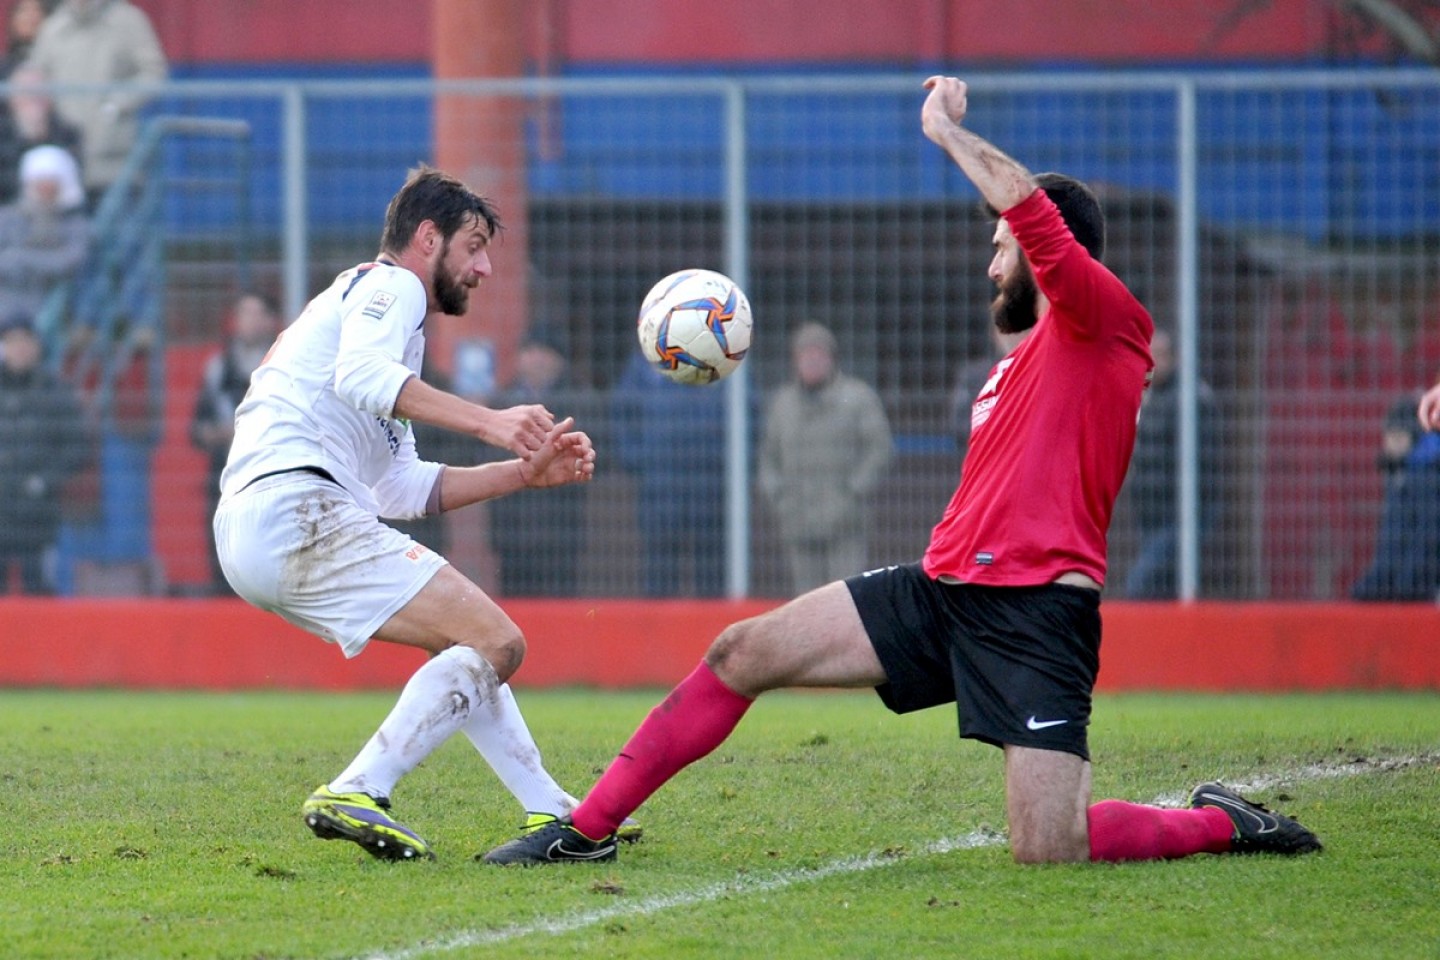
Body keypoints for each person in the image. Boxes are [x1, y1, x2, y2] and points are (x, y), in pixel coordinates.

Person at [482, 76, 1321, 866]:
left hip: (1036, 613)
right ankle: (584, 829)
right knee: (741, 650)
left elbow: (1032, 213)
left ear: (1051, 254)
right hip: (940, 589)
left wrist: (946, 131)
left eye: (1003, 248)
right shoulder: (1017, 364)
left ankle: (1222, 822)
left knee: (1049, 845)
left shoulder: (1106, 318)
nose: (992, 263)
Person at [213, 166, 637, 862]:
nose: (485, 267)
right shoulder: (391, 286)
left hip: (261, 525)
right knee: (500, 643)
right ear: (427, 238)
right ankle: (359, 787)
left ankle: (553, 810)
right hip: (296, 506)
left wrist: (522, 473)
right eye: (473, 245)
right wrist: (494, 423)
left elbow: (401, 489)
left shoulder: (385, 332)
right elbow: (363, 380)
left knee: (469, 642)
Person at [758, 322, 893, 595]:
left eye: (818, 353)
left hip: (845, 521)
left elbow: (879, 449)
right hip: (797, 519)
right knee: (805, 601)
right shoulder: (782, 404)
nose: (812, 361)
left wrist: (853, 491)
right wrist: (779, 496)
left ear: (832, 358)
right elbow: (768, 457)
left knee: (845, 597)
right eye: (805, 354)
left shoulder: (856, 398)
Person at [22, 0, 167, 208]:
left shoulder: (129, 21)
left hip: (113, 157)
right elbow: (35, 79)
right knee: (68, 235)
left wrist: (116, 105)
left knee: (115, 231)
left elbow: (153, 73)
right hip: (64, 159)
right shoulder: (53, 26)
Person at [612, 349, 727, 597]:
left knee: (711, 574)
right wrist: (638, 460)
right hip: (659, 487)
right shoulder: (645, 360)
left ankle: (711, 633)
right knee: (659, 574)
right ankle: (656, 634)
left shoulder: (718, 352)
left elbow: (745, 413)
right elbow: (623, 412)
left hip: (708, 487)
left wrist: (729, 467)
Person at [188, 292, 282, 595]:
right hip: (225, 475)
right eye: (243, 313)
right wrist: (220, 433)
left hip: (273, 476)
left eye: (256, 313)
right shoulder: (217, 367)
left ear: (270, 321)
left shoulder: (283, 365)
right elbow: (196, 429)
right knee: (225, 555)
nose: (248, 321)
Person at [1121, 328, 1220, 599]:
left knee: (1140, 587)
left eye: (1161, 355)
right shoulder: (1150, 396)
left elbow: (1204, 463)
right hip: (1152, 516)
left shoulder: (1191, 397)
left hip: (1181, 517)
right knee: (1163, 590)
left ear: (1176, 358)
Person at [487, 338, 589, 596]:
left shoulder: (577, 402)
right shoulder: (501, 403)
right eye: (530, 351)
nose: (537, 359)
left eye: (546, 352)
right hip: (512, 528)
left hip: (561, 527)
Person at [0, 310, 89, 593]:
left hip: (38, 519)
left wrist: (43, 481)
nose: (19, 349)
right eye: (12, 341)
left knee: (38, 593)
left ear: (37, 347)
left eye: (25, 341)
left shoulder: (55, 392)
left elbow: (78, 446)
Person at [1350, 387, 1440, 601]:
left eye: (1398, 437)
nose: (1391, 444)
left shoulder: (1423, 477)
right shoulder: (1402, 476)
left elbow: (1426, 541)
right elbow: (1393, 545)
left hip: (1418, 591)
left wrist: (1402, 589)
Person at [0, 143, 89, 321]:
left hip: (54, 306)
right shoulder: (8, 218)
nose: (44, 190)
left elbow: (69, 260)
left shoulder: (75, 224)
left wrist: (20, 258)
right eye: (39, 182)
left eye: (50, 183)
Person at [0, 63, 83, 206]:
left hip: (57, 213)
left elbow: (73, 181)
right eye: (26, 91)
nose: (34, 98)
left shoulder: (68, 133)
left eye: (39, 90)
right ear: (12, 99)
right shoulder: (3, 135)